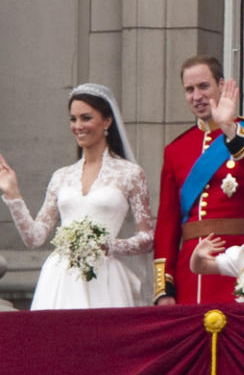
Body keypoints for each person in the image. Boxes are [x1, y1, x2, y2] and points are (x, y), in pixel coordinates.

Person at [0, 84, 153, 309]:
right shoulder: (61, 176)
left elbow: (147, 237)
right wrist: (13, 194)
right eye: (73, 119)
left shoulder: (129, 173)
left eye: (86, 118)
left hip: (106, 279)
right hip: (61, 278)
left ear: (107, 121)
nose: (78, 126)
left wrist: (110, 245)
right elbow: (35, 237)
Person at [154, 56, 244, 305]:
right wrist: (164, 286)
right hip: (190, 269)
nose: (197, 96)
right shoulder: (176, 149)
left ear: (221, 86)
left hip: (240, 259)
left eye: (203, 86)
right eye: (189, 90)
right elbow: (167, 222)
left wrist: (230, 131)